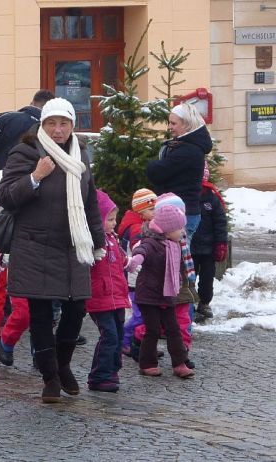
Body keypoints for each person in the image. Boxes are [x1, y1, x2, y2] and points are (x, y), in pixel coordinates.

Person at [0, 97, 105, 403]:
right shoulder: (26, 151)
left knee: (76, 310)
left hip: (73, 245)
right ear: (42, 125)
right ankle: (50, 377)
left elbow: (90, 201)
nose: (58, 130)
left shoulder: (78, 153)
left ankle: (64, 363)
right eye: (52, 123)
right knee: (41, 314)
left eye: (64, 123)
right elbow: (6, 196)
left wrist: (97, 241)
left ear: (73, 126)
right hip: (35, 245)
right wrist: (35, 177)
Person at [125, 205, 195, 379]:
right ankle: (147, 363)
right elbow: (141, 251)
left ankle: (180, 363)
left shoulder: (173, 244)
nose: (182, 232)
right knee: (153, 329)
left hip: (168, 294)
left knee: (174, 329)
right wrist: (135, 261)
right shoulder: (151, 242)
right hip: (149, 295)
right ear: (167, 230)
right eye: (179, 228)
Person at [146, 103, 212, 242]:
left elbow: (156, 172)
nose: (169, 127)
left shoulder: (188, 151)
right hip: (180, 210)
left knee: (178, 258)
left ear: (186, 124)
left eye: (173, 123)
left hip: (183, 213)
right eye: (169, 122)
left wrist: (151, 165)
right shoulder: (186, 146)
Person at [86, 190, 130, 393]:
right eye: (109, 219)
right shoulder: (94, 241)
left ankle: (112, 371)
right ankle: (99, 375)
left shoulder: (113, 239)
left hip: (117, 296)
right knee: (109, 335)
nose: (114, 223)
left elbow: (120, 260)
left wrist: (130, 262)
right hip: (100, 297)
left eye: (115, 219)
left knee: (118, 335)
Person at [0, 89, 55, 171]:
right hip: (36, 178)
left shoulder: (7, 117)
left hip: (2, 174)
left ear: (31, 103)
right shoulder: (54, 130)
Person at [118, 188, 157, 356]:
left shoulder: (140, 223)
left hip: (137, 277)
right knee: (140, 315)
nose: (156, 213)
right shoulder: (136, 228)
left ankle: (136, 343)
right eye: (152, 209)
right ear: (141, 211)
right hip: (135, 278)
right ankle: (123, 339)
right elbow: (138, 250)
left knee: (142, 314)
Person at [190, 165, 228, 323]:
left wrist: (220, 244)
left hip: (208, 249)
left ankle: (204, 303)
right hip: (190, 248)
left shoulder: (212, 198)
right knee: (189, 278)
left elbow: (220, 222)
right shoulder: (187, 197)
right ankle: (188, 304)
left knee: (207, 279)